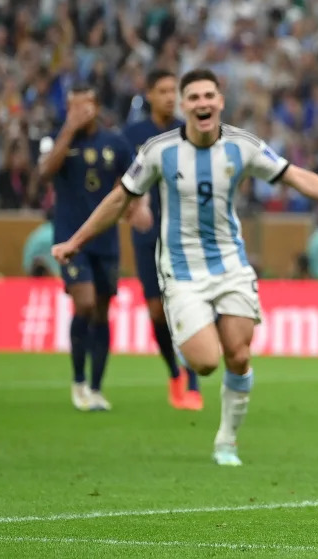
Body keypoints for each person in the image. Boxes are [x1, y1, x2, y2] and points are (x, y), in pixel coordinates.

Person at [52, 69, 318, 466]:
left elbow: (295, 176)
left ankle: (227, 440)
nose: (202, 103)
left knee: (238, 355)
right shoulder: (157, 151)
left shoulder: (243, 145)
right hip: (182, 271)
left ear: (220, 101)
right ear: (184, 106)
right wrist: (76, 241)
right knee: (204, 363)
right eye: (194, 97)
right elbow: (118, 199)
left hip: (230, 265)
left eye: (209, 96)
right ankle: (188, 340)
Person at [38, 83, 141, 412]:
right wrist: (68, 130)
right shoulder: (59, 140)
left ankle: (96, 387)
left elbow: (136, 180)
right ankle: (78, 381)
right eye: (72, 108)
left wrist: (137, 208)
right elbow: (44, 172)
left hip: (106, 240)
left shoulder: (115, 142)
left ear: (96, 107)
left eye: (84, 107)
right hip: (70, 239)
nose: (78, 114)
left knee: (101, 310)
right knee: (83, 303)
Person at [123, 69, 202, 411]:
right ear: (150, 95)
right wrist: (133, 207)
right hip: (146, 233)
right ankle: (173, 373)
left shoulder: (191, 132)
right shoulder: (132, 135)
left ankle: (195, 379)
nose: (170, 97)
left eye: (175, 91)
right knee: (156, 310)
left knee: (185, 305)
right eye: (164, 91)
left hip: (184, 232)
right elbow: (122, 182)